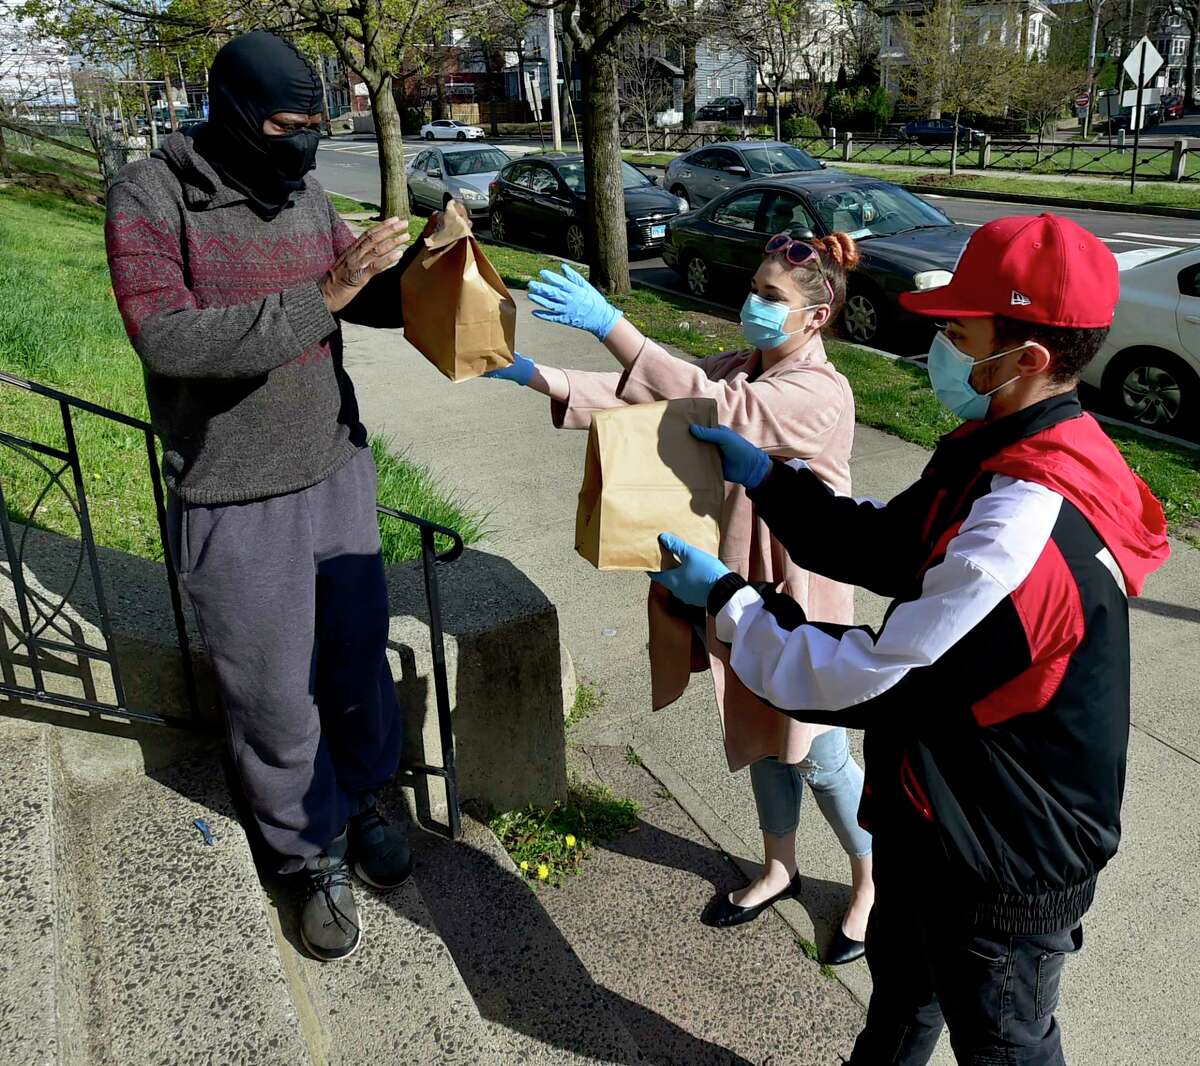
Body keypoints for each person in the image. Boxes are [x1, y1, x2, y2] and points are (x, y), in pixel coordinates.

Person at [648, 213, 1170, 1063]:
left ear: (1027, 358)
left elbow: (874, 676)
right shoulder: (1010, 447)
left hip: (1001, 864)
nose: (939, 347)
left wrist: (729, 604)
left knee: (1004, 1044)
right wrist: (769, 479)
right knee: (898, 1006)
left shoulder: (1024, 533)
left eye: (960, 332)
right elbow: (891, 546)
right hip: (939, 819)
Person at [105, 30, 415, 962]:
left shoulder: (306, 190)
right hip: (235, 493)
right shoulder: (151, 197)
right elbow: (169, 341)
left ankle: (361, 798)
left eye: (319, 126)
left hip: (335, 467)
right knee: (274, 696)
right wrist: (328, 288)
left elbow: (355, 299)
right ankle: (304, 850)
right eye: (288, 125)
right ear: (237, 112)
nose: (306, 144)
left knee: (357, 667)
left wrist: (420, 269)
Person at [485, 234, 874, 962]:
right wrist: (531, 372)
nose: (753, 304)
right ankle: (781, 869)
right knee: (762, 738)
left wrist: (611, 324)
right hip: (737, 588)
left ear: (816, 319)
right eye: (755, 287)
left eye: (772, 298)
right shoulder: (742, 364)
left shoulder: (820, 392)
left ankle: (871, 883)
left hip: (800, 598)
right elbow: (653, 396)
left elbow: (711, 406)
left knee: (818, 754)